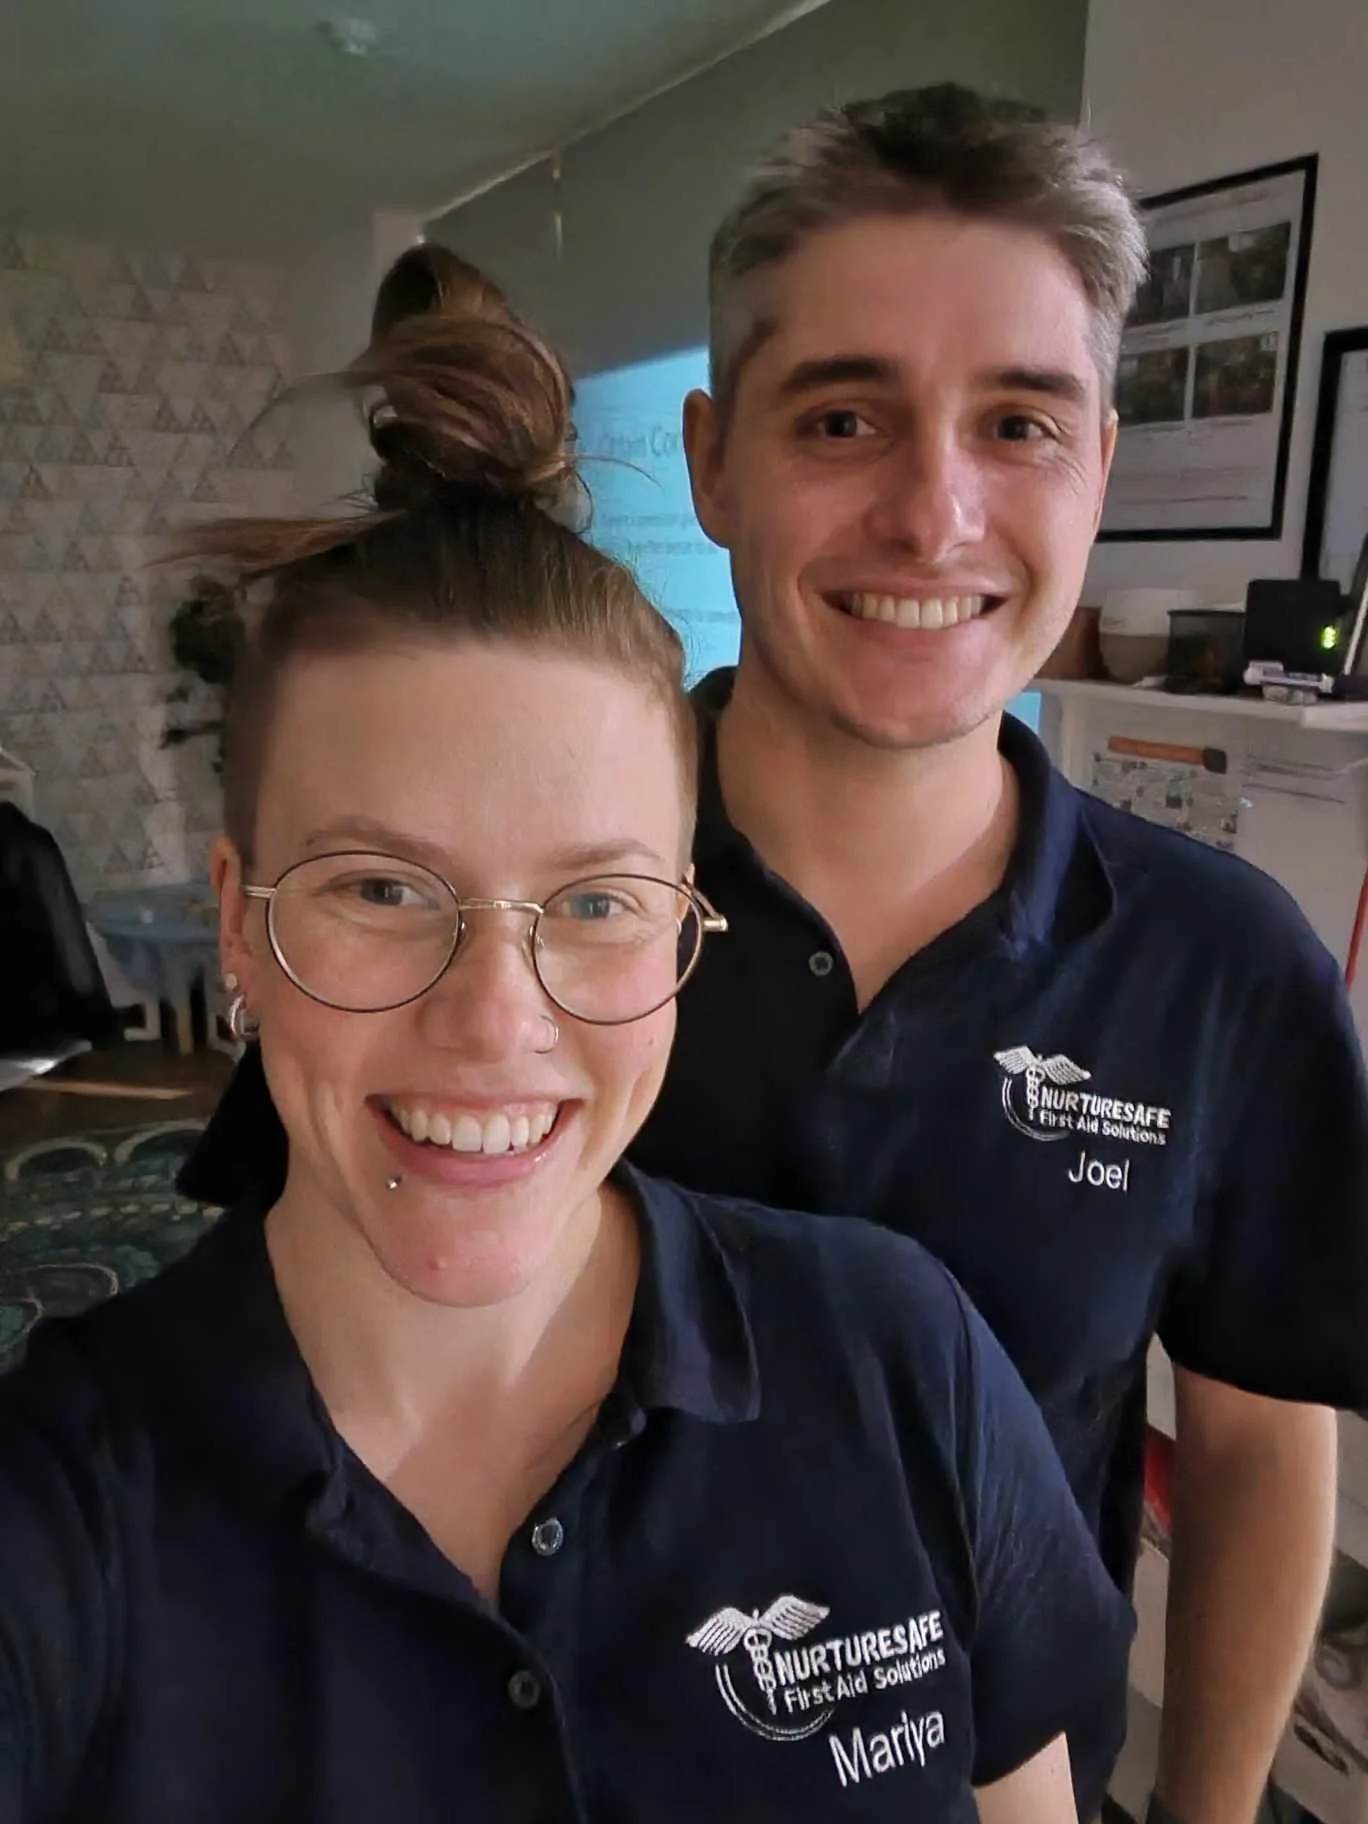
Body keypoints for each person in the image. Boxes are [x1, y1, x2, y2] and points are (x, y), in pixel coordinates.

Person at [181, 86, 1368, 1824]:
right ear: (713, 460)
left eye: (1020, 425)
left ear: (1100, 468)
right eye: (844, 419)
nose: (934, 515)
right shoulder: (493, 897)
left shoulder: (1222, 968)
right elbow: (262, 1347)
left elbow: (1259, 1443)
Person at [0, 267, 1131, 1822]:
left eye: (596, 901)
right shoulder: (61, 1507)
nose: (494, 1020)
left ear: (682, 932)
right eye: (382, 888)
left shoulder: (897, 1360)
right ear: (238, 926)